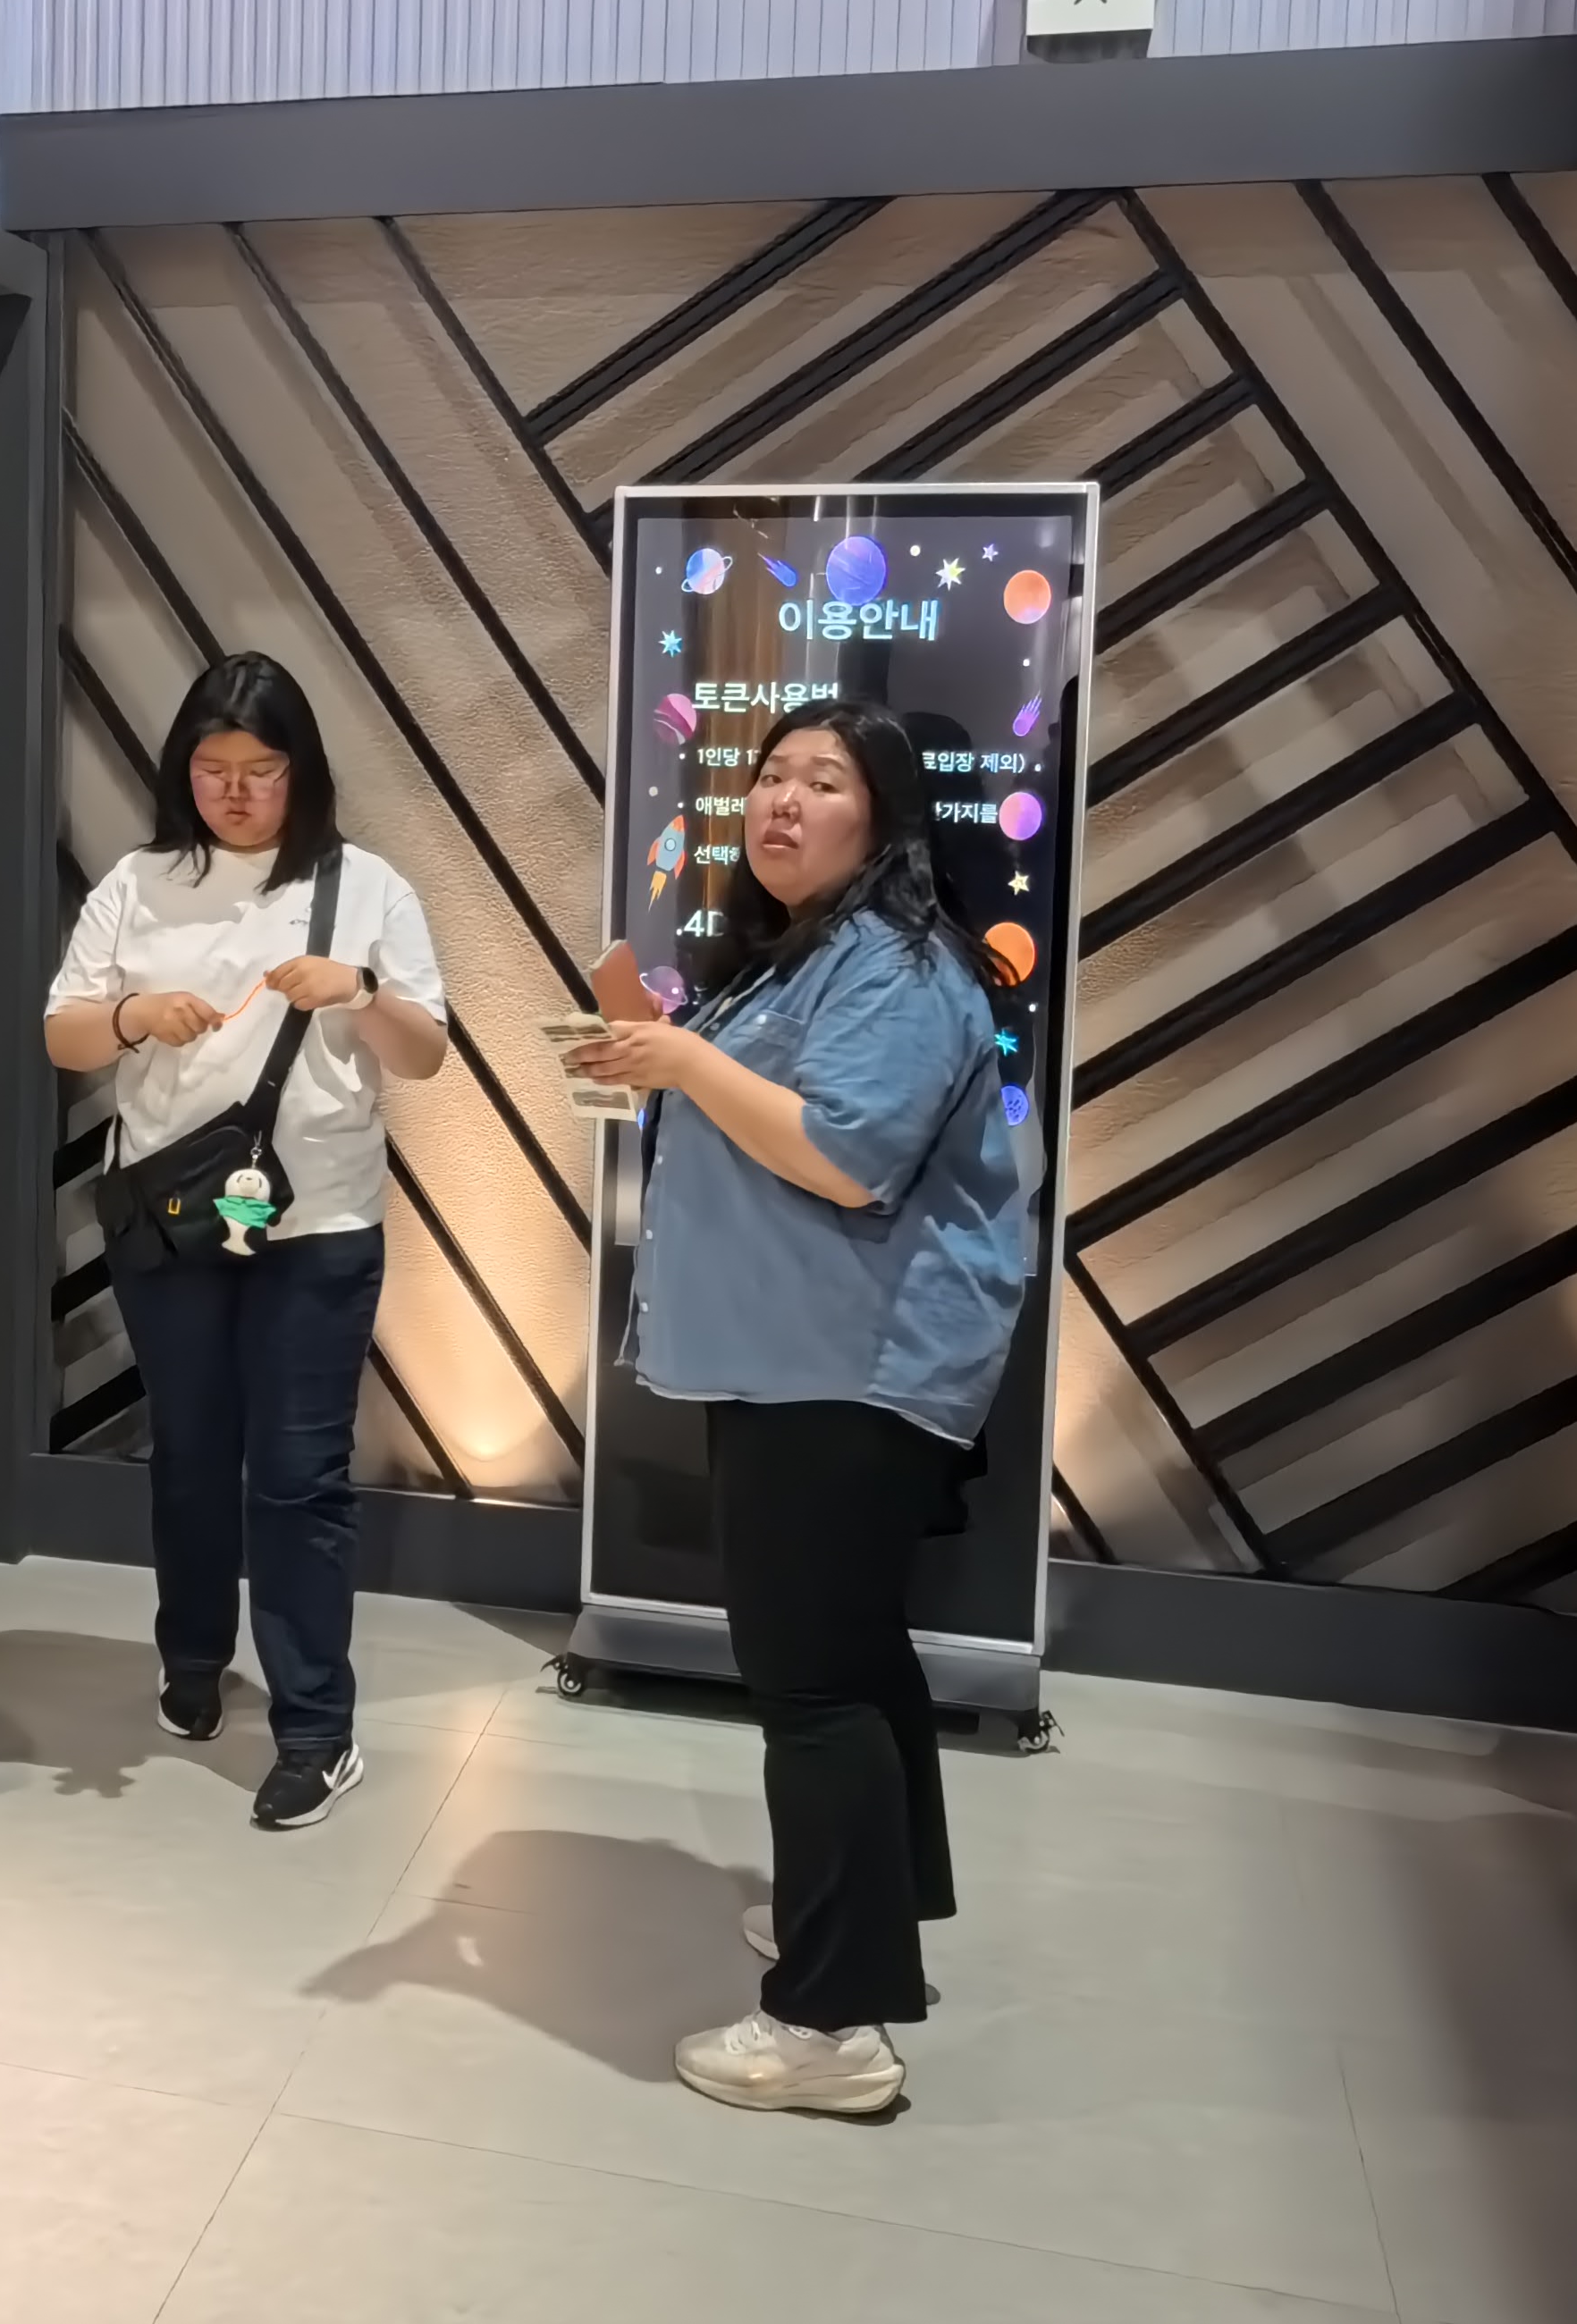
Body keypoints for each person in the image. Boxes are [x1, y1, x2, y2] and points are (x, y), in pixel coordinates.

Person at [568, 698, 1029, 2118]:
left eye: (824, 781)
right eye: (770, 775)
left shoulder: (897, 962)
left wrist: (685, 1062)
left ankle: (833, 2029)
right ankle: (882, 1914)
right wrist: (656, 1057)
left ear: (884, 818)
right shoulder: (798, 956)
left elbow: (844, 1157)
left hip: (846, 1368)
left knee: (811, 1684)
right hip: (794, 1356)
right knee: (854, 1656)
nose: (781, 800)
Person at [42, 653, 448, 1829]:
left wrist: (356, 989)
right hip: (173, 1222)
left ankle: (316, 1728)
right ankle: (191, 1656)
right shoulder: (140, 882)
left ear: (300, 772)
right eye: (212, 769)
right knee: (189, 1449)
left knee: (299, 1474)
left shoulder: (365, 888)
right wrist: (132, 1015)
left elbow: (425, 1053)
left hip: (317, 1224)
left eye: (260, 770)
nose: (233, 792)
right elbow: (63, 1035)